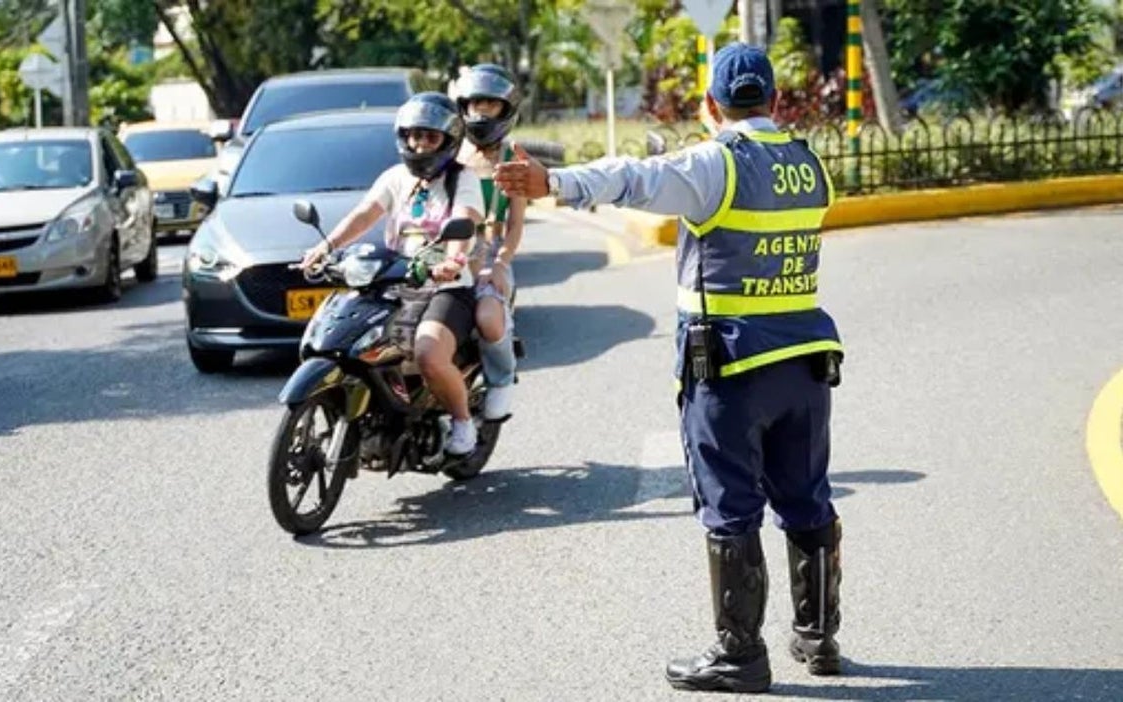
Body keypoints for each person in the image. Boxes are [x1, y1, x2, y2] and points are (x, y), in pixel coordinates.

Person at [494, 43, 845, 693]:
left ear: (712, 106)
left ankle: (740, 656)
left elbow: (634, 176)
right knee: (805, 496)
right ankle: (819, 638)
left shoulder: (716, 164)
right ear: (773, 100)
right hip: (805, 365)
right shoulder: (808, 163)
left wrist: (555, 184)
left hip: (732, 369)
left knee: (730, 507)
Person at [299, 92, 485, 456]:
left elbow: (465, 220)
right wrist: (326, 247)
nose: (420, 144)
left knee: (429, 355)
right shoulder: (395, 177)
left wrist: (452, 260)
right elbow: (365, 213)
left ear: (448, 141)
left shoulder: (464, 179)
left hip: (445, 287)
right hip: (393, 280)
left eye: (430, 137)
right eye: (414, 135)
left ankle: (462, 422)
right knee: (351, 341)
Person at [453, 64, 527, 422]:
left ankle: (501, 379)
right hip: (446, 258)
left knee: (488, 319)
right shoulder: (448, 155)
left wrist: (500, 263)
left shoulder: (515, 159)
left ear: (506, 109)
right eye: (475, 103)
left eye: (490, 104)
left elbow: (514, 225)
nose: (481, 112)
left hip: (488, 259)